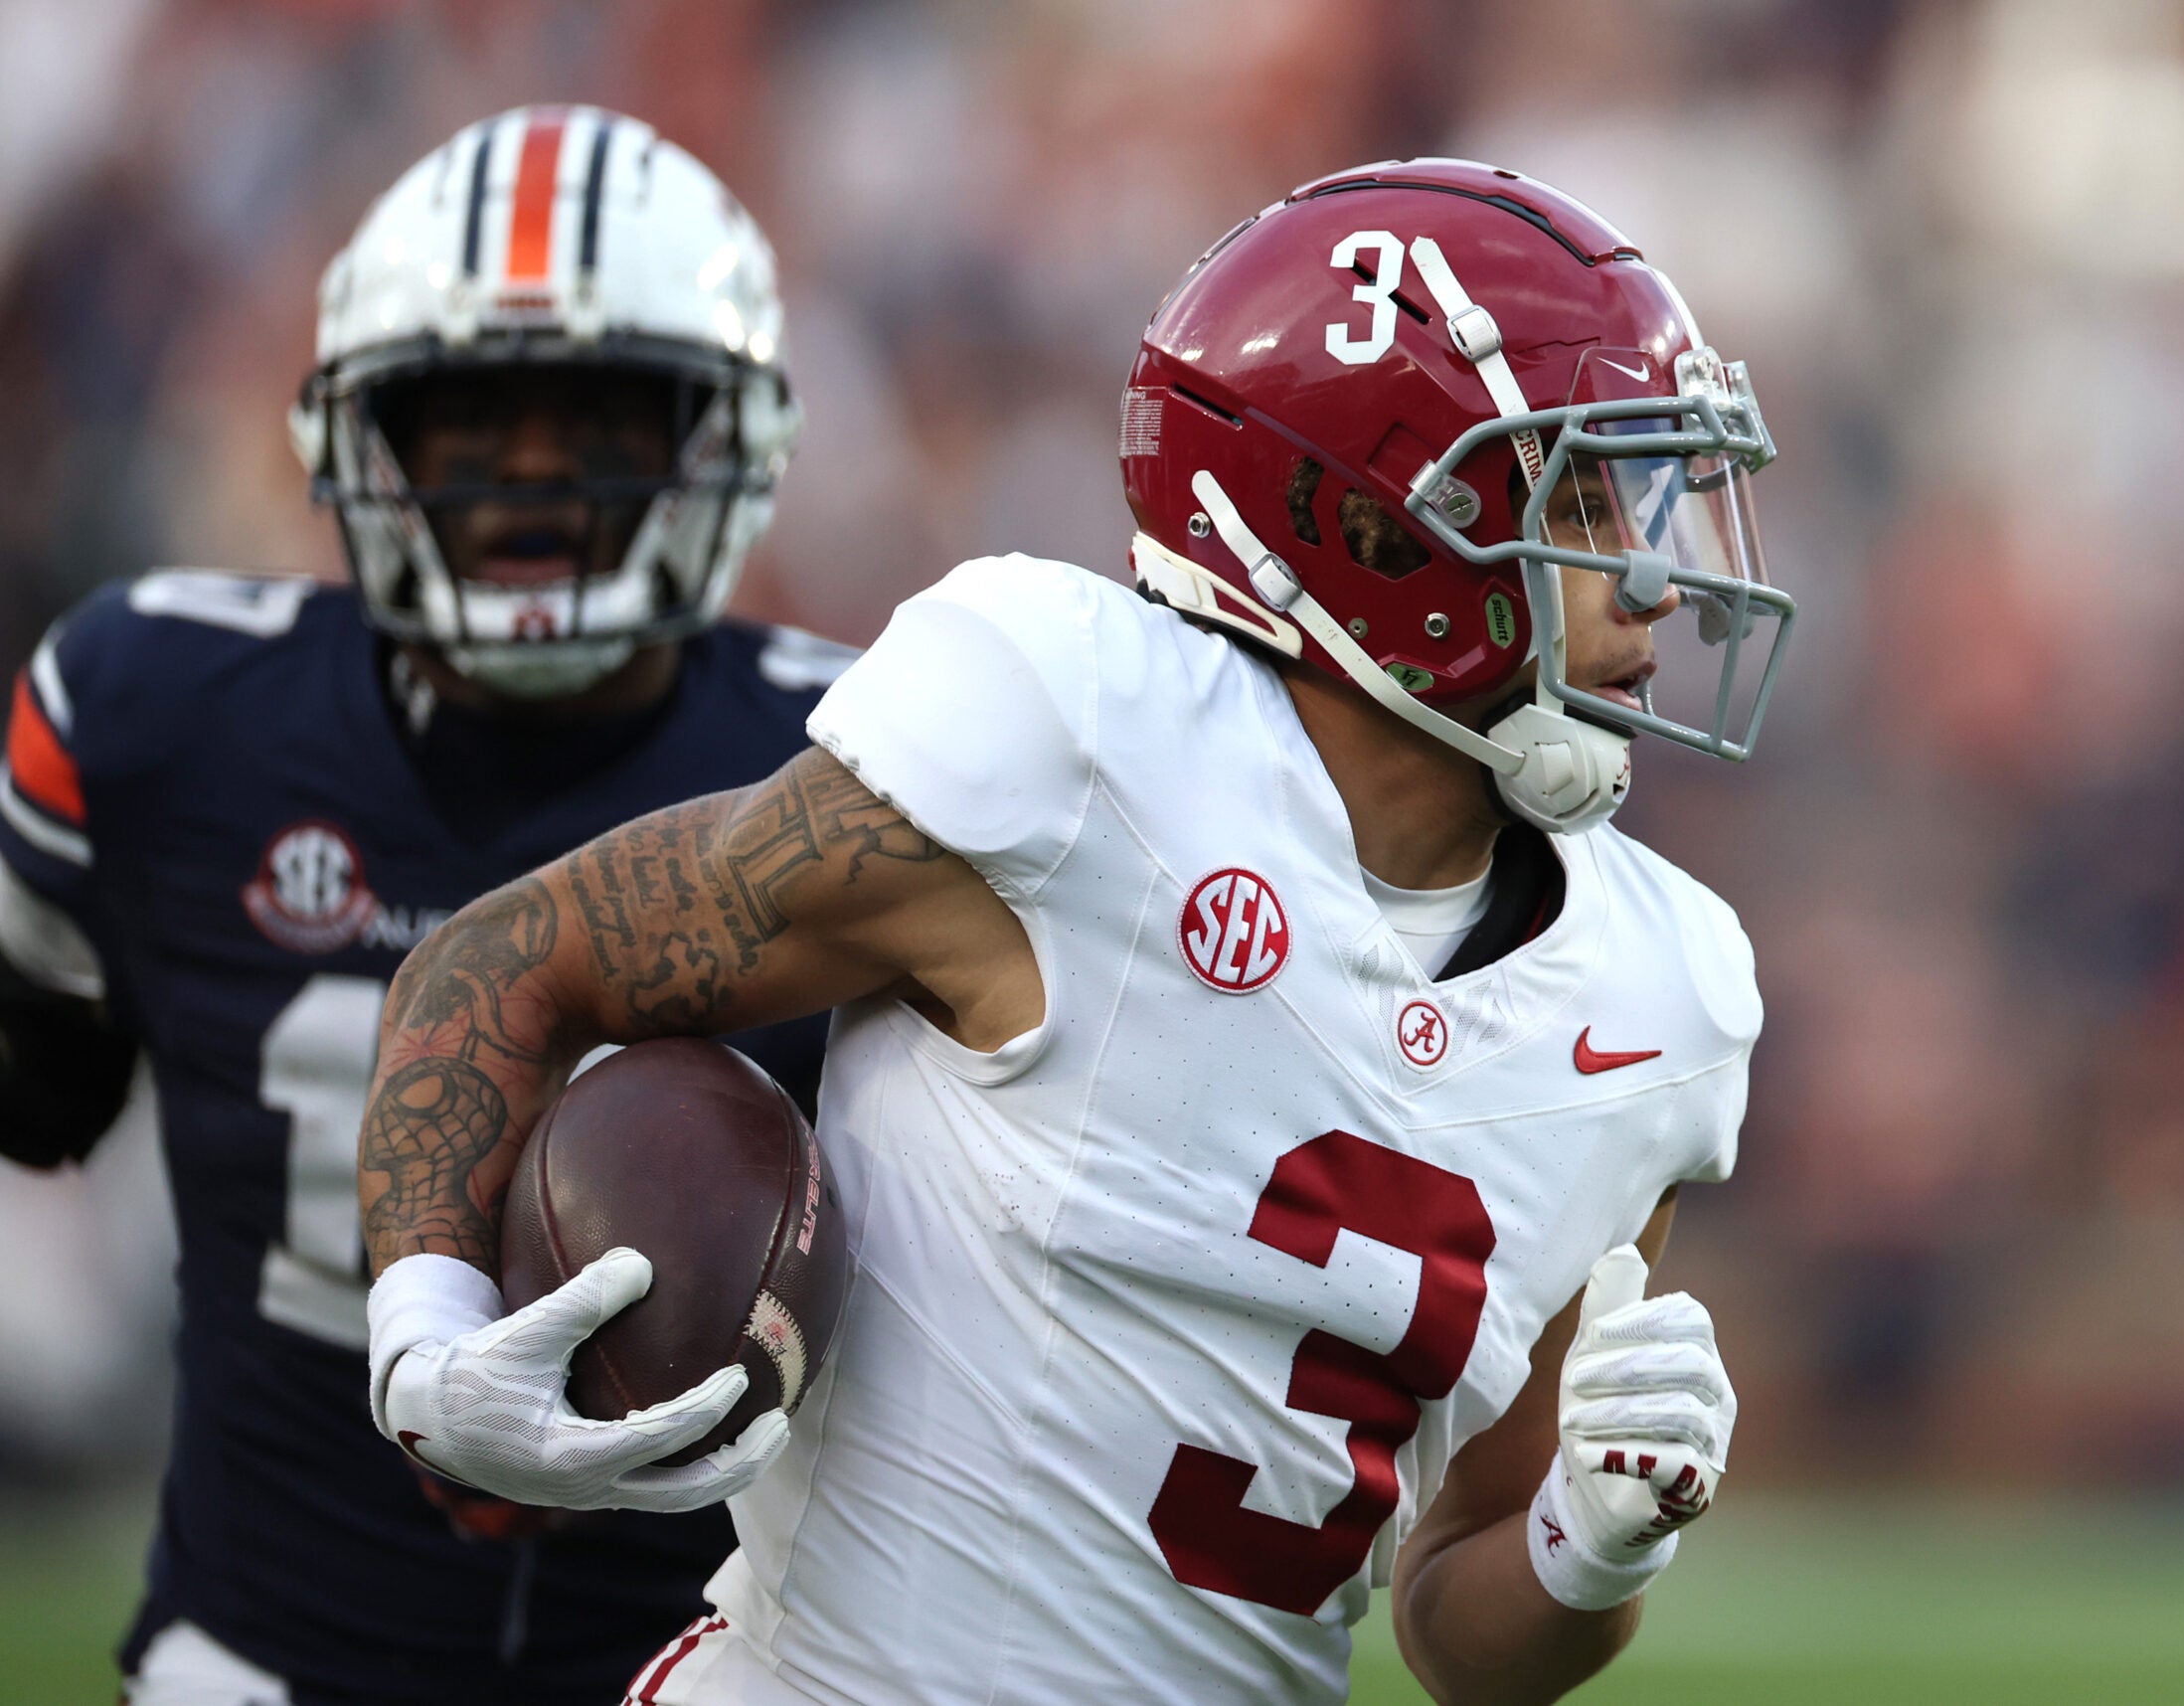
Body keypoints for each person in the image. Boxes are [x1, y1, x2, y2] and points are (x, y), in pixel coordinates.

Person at [356, 159, 1794, 1706]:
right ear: (1371, 526)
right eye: (1582, 493)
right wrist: (427, 1342)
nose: (1653, 575)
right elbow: (509, 959)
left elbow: (1460, 1623)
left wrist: (1595, 1542)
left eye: (1649, 491)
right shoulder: (1079, 739)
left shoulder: (1665, 1001)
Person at [0, 104, 858, 1704]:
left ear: (723, 439)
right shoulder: (153, 717)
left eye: (598, 413)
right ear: (359, 439)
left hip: (717, 1660)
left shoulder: (856, 766)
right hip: (262, 1650)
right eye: (470, 416)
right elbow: (34, 1093)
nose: (532, 467)